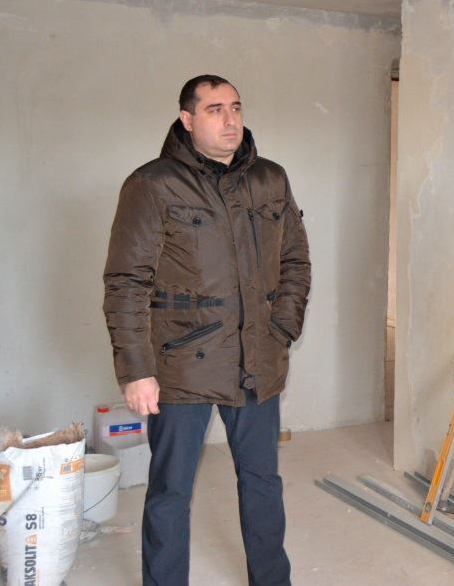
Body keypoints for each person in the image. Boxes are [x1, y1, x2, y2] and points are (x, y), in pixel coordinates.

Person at [103, 74, 311, 586]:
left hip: (256, 360)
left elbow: (295, 259)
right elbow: (126, 281)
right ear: (187, 119)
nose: (230, 119)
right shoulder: (152, 184)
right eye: (215, 110)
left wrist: (282, 327)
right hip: (182, 366)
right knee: (171, 491)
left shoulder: (271, 178)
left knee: (263, 482)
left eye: (235, 107)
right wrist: (136, 370)